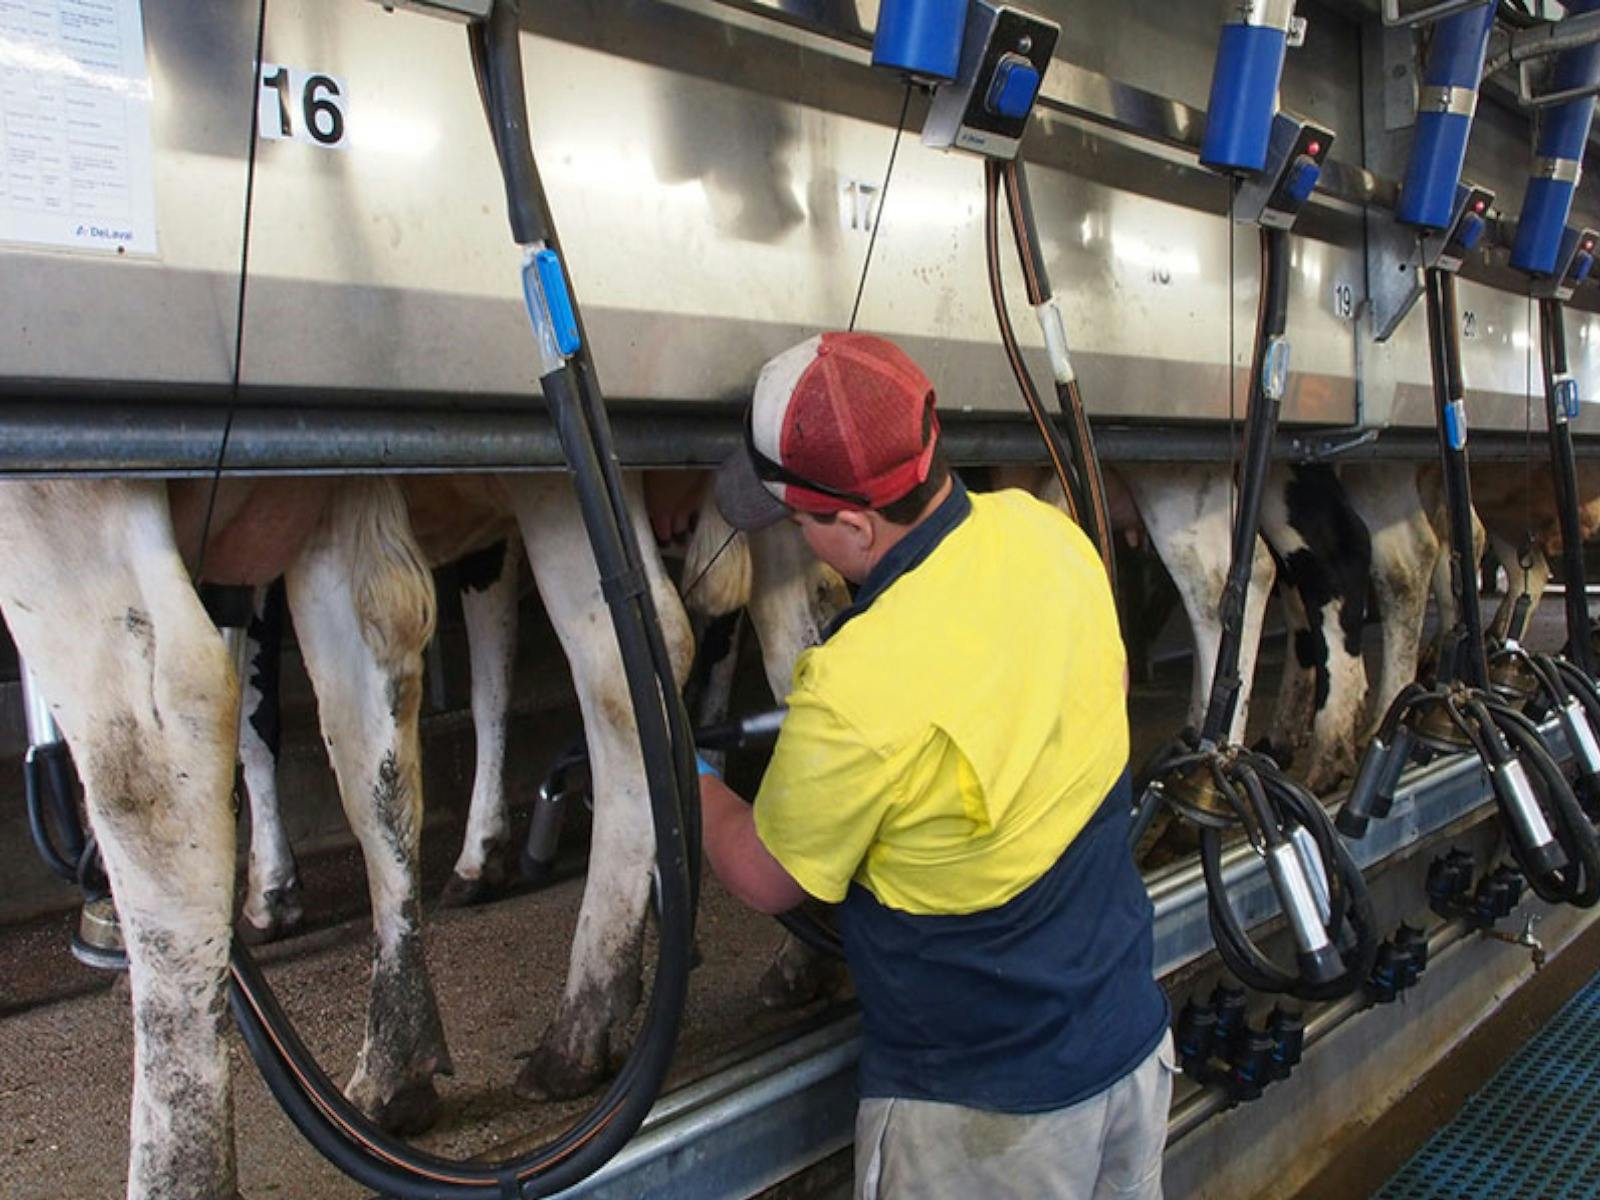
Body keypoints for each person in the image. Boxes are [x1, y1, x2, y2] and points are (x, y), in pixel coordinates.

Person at [699, 331, 1173, 1200]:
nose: (799, 541)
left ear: (850, 523)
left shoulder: (857, 680)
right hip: (1132, 1043)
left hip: (985, 1121)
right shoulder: (1048, 532)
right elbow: (1101, 683)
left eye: (799, 522)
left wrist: (691, 785)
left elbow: (770, 879)